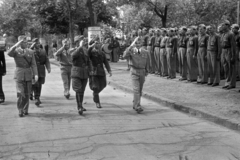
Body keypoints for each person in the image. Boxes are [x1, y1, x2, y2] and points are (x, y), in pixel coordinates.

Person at [8, 36, 38, 117]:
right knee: (20, 93)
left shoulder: (31, 52)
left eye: (26, 42)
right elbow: (9, 53)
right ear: (20, 43)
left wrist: (35, 74)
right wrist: (17, 44)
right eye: (23, 42)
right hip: (19, 74)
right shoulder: (16, 51)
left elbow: (33, 64)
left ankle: (25, 109)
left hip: (28, 74)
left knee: (27, 93)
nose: (26, 43)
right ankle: (20, 109)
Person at [122, 37, 149, 113]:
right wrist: (131, 45)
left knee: (139, 90)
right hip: (134, 71)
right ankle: (138, 106)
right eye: (136, 43)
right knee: (136, 89)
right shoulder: (131, 51)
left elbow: (147, 62)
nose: (137, 44)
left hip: (142, 72)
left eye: (139, 43)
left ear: (141, 44)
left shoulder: (145, 52)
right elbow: (124, 56)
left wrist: (147, 71)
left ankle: (135, 103)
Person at [88, 38, 112, 108]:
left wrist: (109, 70)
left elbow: (106, 62)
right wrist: (91, 46)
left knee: (103, 85)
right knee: (95, 87)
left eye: (98, 43)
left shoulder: (102, 53)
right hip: (93, 71)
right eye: (96, 43)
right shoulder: (90, 52)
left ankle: (95, 94)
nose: (97, 44)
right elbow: (87, 53)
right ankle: (97, 102)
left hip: (101, 71)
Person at [71, 36, 91, 115]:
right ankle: (79, 107)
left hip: (84, 73)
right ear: (77, 42)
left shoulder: (85, 51)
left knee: (82, 90)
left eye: (85, 41)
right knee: (78, 90)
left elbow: (88, 61)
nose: (85, 42)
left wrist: (90, 70)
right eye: (83, 41)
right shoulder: (73, 49)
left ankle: (80, 105)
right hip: (76, 73)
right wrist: (79, 47)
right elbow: (72, 56)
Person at [30, 38, 51, 106]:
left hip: (41, 70)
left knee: (39, 84)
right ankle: (35, 96)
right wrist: (31, 48)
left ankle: (37, 96)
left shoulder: (43, 51)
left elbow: (46, 60)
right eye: (36, 43)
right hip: (33, 70)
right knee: (35, 84)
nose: (38, 45)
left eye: (39, 43)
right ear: (33, 44)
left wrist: (48, 67)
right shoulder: (30, 51)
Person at [220, 20, 237, 89]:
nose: (222, 26)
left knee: (231, 67)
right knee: (225, 67)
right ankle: (227, 82)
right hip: (224, 50)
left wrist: (233, 56)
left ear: (227, 25)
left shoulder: (231, 34)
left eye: (223, 25)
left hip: (229, 50)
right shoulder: (223, 34)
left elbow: (233, 46)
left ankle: (232, 84)